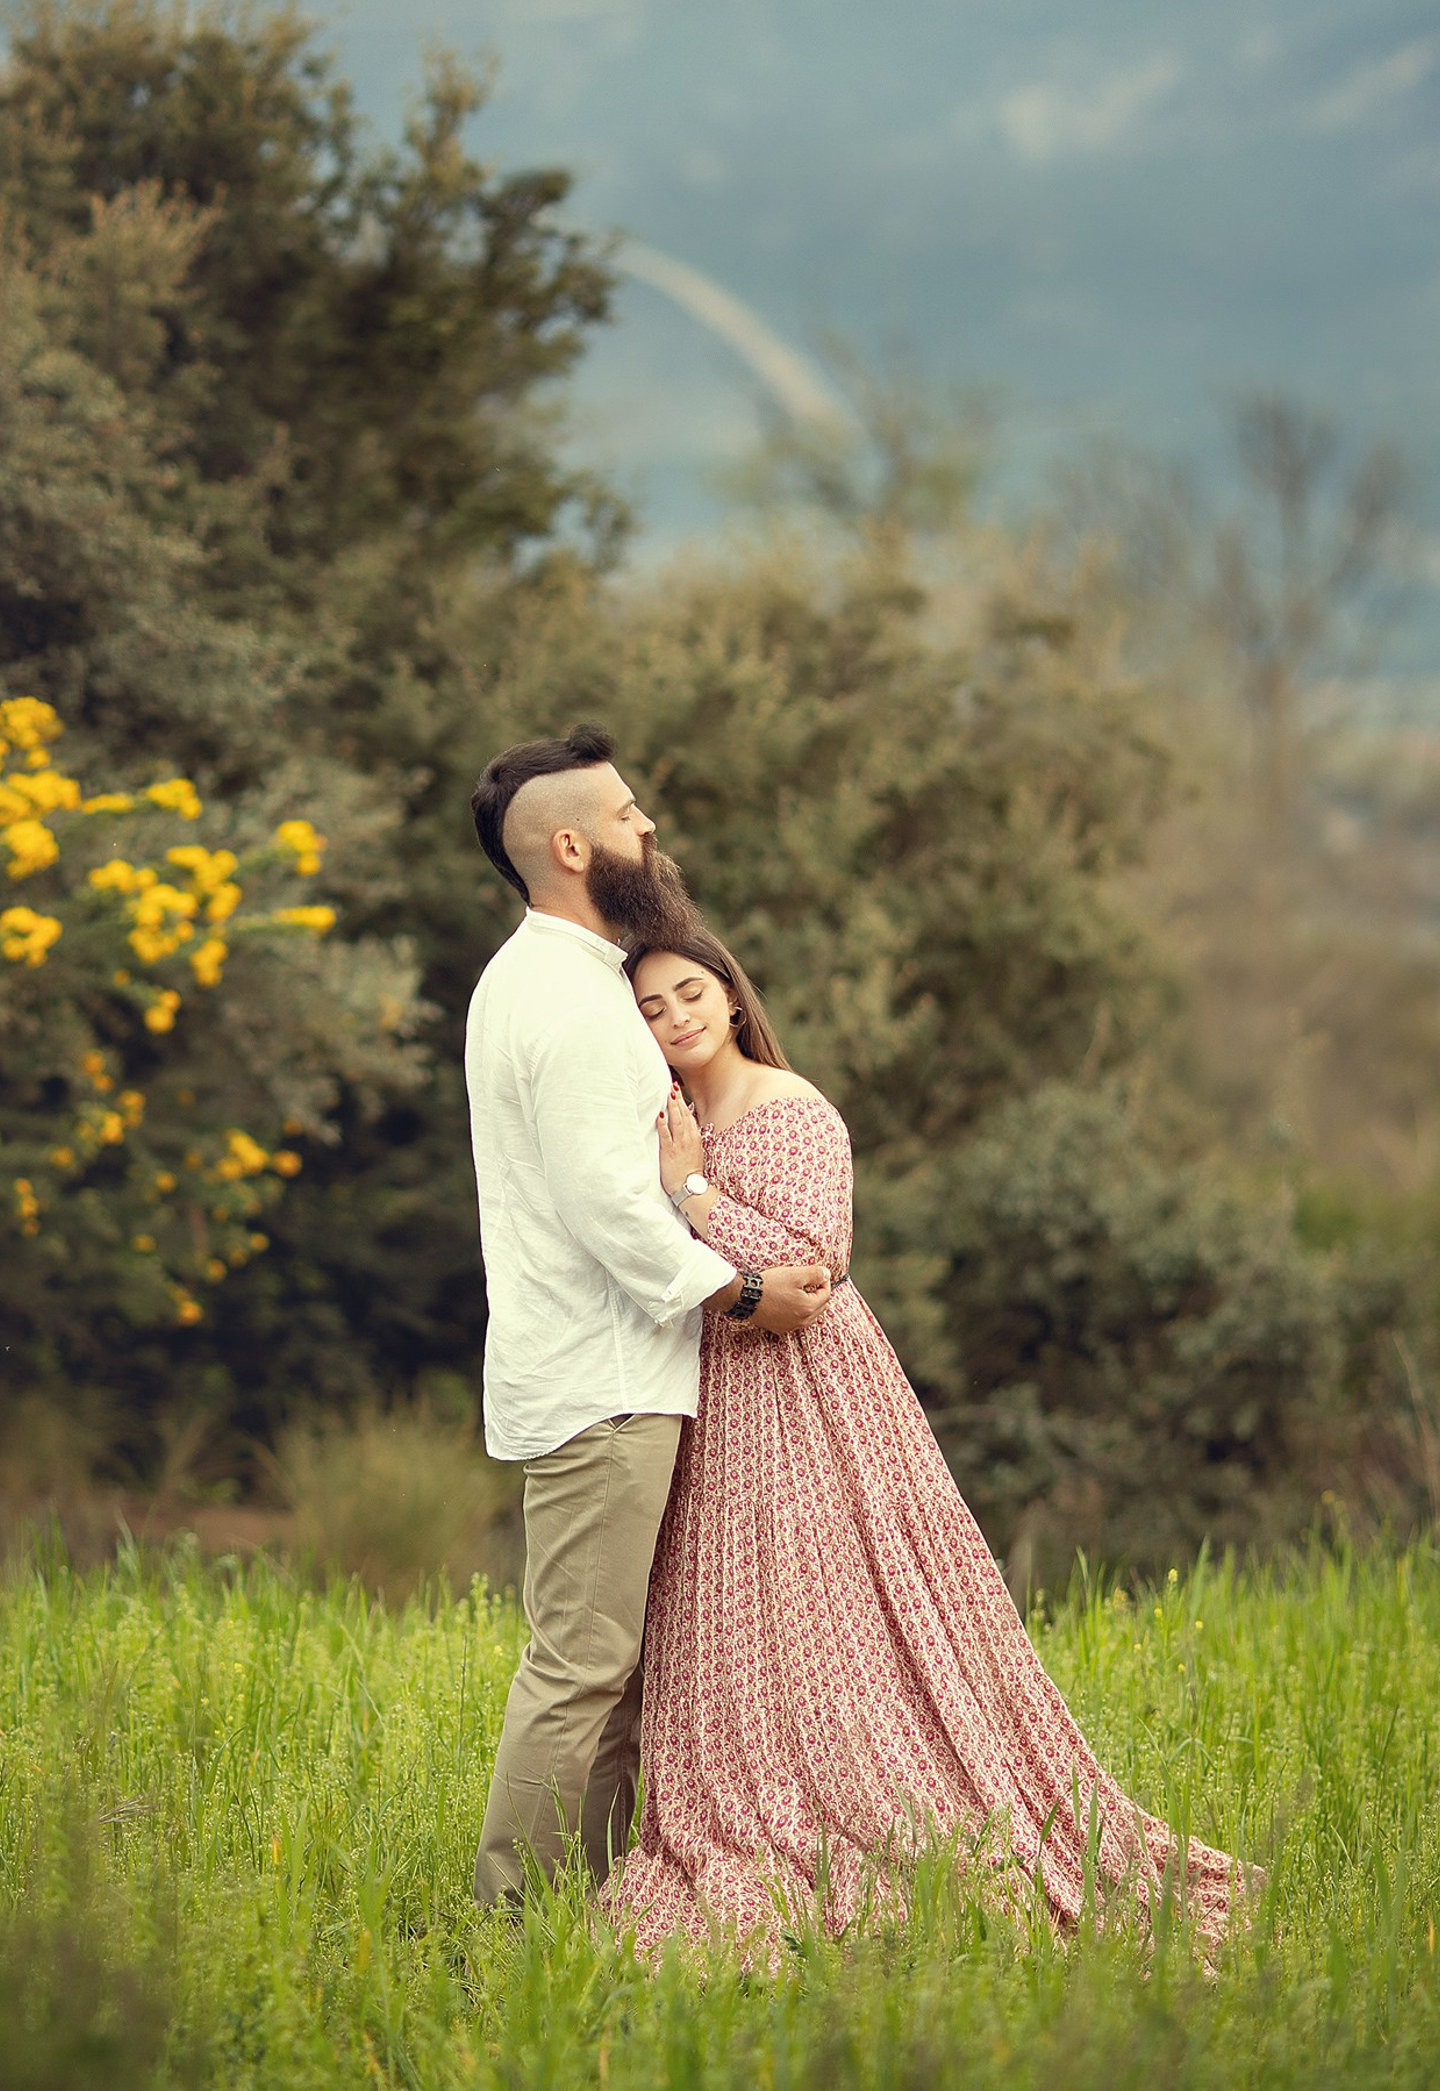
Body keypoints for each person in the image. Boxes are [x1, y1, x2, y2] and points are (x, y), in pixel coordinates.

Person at [598, 923, 1260, 1965]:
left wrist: (693, 1194)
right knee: (729, 1597)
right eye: (650, 1007)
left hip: (808, 1388)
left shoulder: (790, 1107)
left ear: (729, 995)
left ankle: (876, 1792)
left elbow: (814, 1268)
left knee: (824, 1591)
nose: (676, 1016)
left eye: (689, 992)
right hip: (712, 1381)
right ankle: (737, 1794)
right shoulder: (664, 1115)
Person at [463, 725, 836, 1908]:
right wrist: (739, 1292)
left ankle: (595, 1900)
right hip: (604, 1379)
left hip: (610, 1372)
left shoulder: (558, 980)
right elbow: (607, 1211)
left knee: (612, 1672)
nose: (649, 829)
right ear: (570, 845)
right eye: (629, 814)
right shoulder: (569, 1005)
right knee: (581, 1669)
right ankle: (509, 1920)